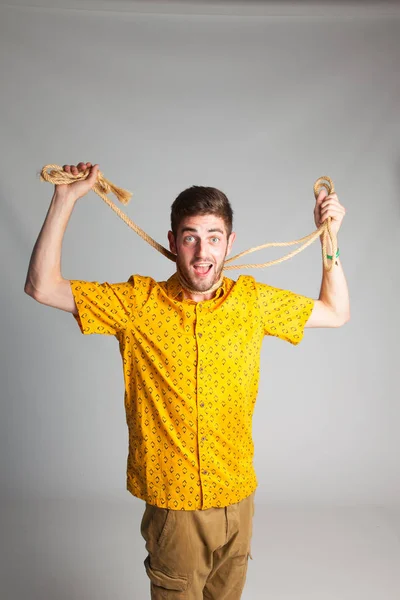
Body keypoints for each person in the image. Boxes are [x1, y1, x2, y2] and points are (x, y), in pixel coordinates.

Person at [24, 161, 349, 599]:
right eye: (191, 238)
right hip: (175, 508)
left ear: (230, 243)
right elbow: (43, 285)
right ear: (173, 242)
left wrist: (330, 237)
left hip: (239, 498)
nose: (202, 253)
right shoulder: (138, 303)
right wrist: (65, 199)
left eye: (213, 238)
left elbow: (336, 312)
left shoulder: (252, 302)